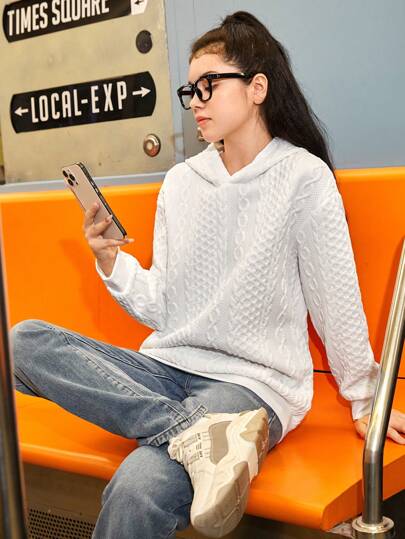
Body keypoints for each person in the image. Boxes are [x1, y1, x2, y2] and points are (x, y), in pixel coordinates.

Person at [11, 10, 405, 539]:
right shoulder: (182, 182)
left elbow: (336, 300)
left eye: (209, 85)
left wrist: (366, 398)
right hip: (167, 368)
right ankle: (195, 435)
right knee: (22, 342)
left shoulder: (302, 178)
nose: (195, 101)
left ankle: (204, 434)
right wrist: (110, 260)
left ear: (257, 88)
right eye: (190, 90)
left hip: (250, 385)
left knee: (136, 489)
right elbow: (163, 307)